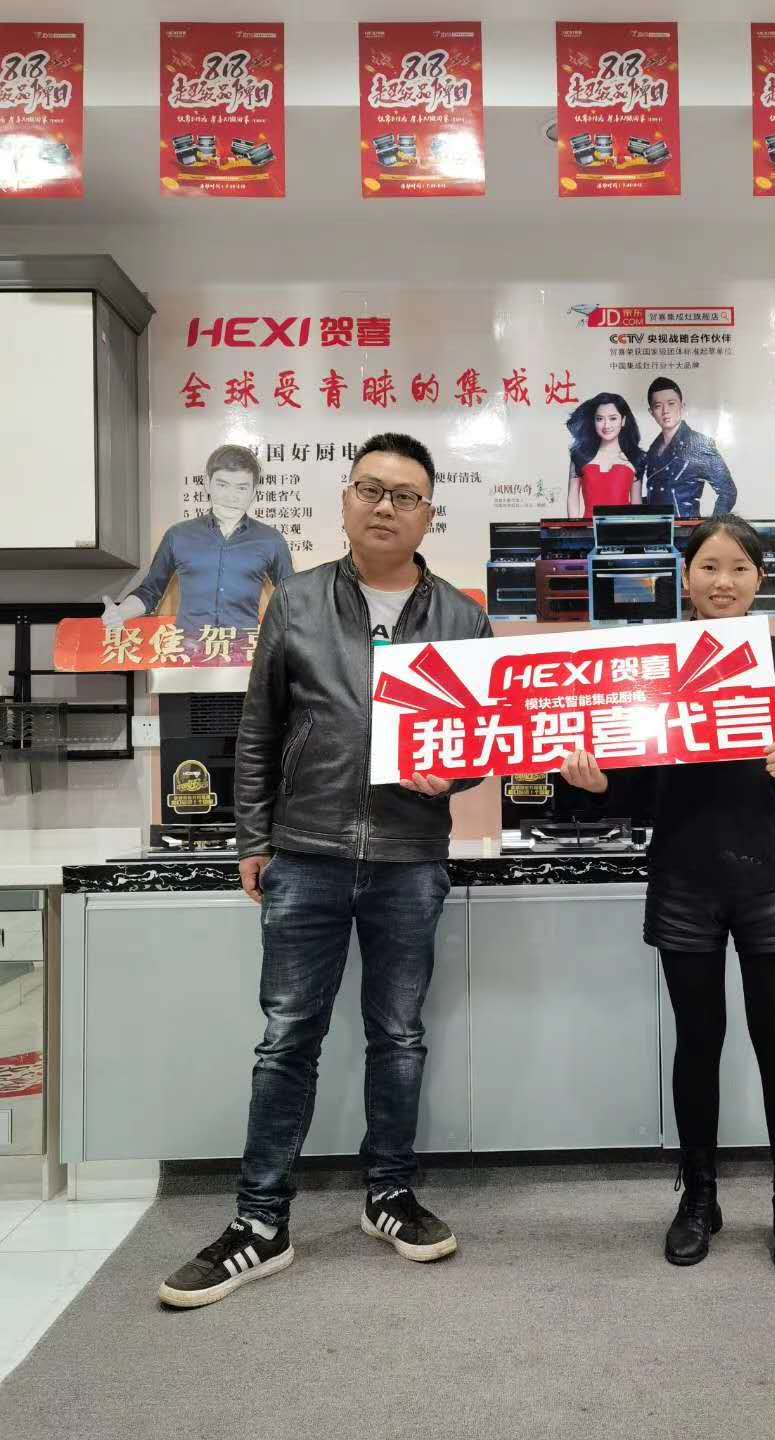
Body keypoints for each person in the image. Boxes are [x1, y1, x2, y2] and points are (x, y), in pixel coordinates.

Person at [158, 433, 492, 1309]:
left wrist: (455, 773)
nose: (386, 507)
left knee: (400, 1035)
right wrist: (252, 838)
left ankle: (390, 1196)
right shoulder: (298, 602)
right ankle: (260, 1221)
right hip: (305, 853)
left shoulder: (463, 618)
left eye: (405, 496)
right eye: (371, 489)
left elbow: (483, 741)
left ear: (428, 515)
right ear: (345, 501)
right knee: (287, 1039)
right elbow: (259, 729)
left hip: (410, 859)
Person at [560, 515, 775, 1278]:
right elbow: (626, 780)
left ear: (760, 580)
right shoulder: (651, 661)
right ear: (685, 577)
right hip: (684, 878)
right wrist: (593, 782)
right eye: (709, 566)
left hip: (772, 878)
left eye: (740, 568)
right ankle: (699, 1197)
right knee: (697, 1041)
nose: (724, 581)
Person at [101, 444, 294, 648]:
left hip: (245, 654)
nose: (231, 496)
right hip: (188, 652)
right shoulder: (178, 535)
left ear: (254, 491)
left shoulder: (271, 540)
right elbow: (150, 592)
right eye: (222, 485)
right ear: (206, 483)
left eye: (242, 488)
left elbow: (293, 598)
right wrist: (121, 612)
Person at [641, 377, 736, 518]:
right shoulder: (653, 449)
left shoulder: (698, 443)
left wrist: (711, 527)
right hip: (656, 528)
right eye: (658, 406)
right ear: (651, 412)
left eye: (671, 403)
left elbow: (728, 492)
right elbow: (657, 494)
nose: (665, 411)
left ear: (682, 406)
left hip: (686, 529)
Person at [565, 391, 644, 519]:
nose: (606, 425)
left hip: (624, 529)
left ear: (623, 420)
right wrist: (575, 529)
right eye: (600, 419)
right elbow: (572, 498)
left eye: (613, 418)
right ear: (593, 421)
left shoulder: (635, 459)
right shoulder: (579, 456)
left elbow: (636, 506)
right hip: (588, 529)